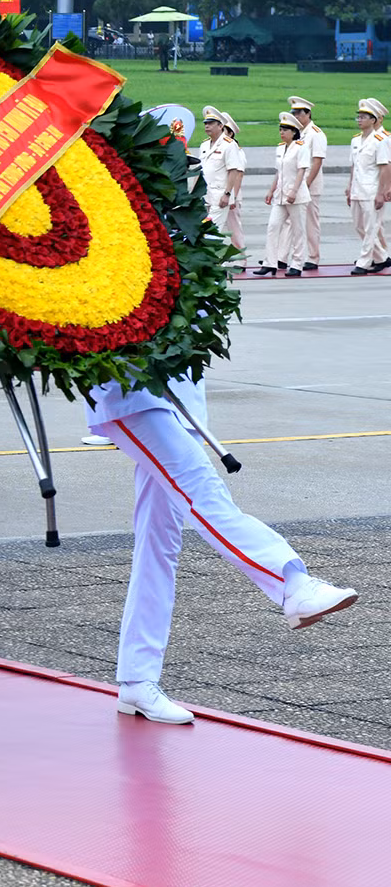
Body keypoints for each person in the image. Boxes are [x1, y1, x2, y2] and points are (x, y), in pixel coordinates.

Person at [89, 106, 357, 725]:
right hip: (134, 395)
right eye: (163, 161)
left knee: (160, 543)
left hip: (181, 398)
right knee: (203, 493)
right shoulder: (110, 223)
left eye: (177, 162)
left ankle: (137, 679)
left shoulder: (182, 223)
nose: (175, 172)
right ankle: (291, 583)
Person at [256, 113, 309, 277]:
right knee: (273, 227)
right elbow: (279, 172)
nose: (282, 132)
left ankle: (297, 264)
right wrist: (271, 190)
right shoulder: (280, 148)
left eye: (285, 130)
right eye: (280, 129)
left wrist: (294, 191)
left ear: (294, 132)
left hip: (296, 196)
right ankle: (270, 263)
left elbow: (301, 171)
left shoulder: (301, 147)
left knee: (298, 231)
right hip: (280, 195)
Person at [346, 98, 390, 274]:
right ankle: (381, 257)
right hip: (357, 189)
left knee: (371, 227)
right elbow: (354, 166)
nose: (359, 120)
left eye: (363, 117)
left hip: (371, 190)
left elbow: (385, 167)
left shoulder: (380, 140)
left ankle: (364, 262)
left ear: (373, 120)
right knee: (359, 226)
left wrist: (382, 192)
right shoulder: (355, 140)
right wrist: (349, 186)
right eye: (358, 117)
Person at [198, 108, 245, 257]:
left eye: (211, 123)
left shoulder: (229, 145)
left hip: (220, 196)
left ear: (220, 126)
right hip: (206, 195)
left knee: (211, 232)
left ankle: (214, 263)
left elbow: (234, 171)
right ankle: (214, 262)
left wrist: (227, 194)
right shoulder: (204, 145)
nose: (207, 126)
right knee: (206, 231)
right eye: (206, 123)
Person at [289, 96, 327, 269]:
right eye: (294, 113)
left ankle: (313, 257)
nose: (296, 116)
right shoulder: (296, 133)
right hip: (295, 184)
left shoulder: (315, 134)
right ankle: (284, 257)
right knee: (291, 222)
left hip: (310, 185)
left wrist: (306, 184)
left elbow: (317, 162)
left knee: (311, 222)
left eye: (299, 113)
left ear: (308, 114)